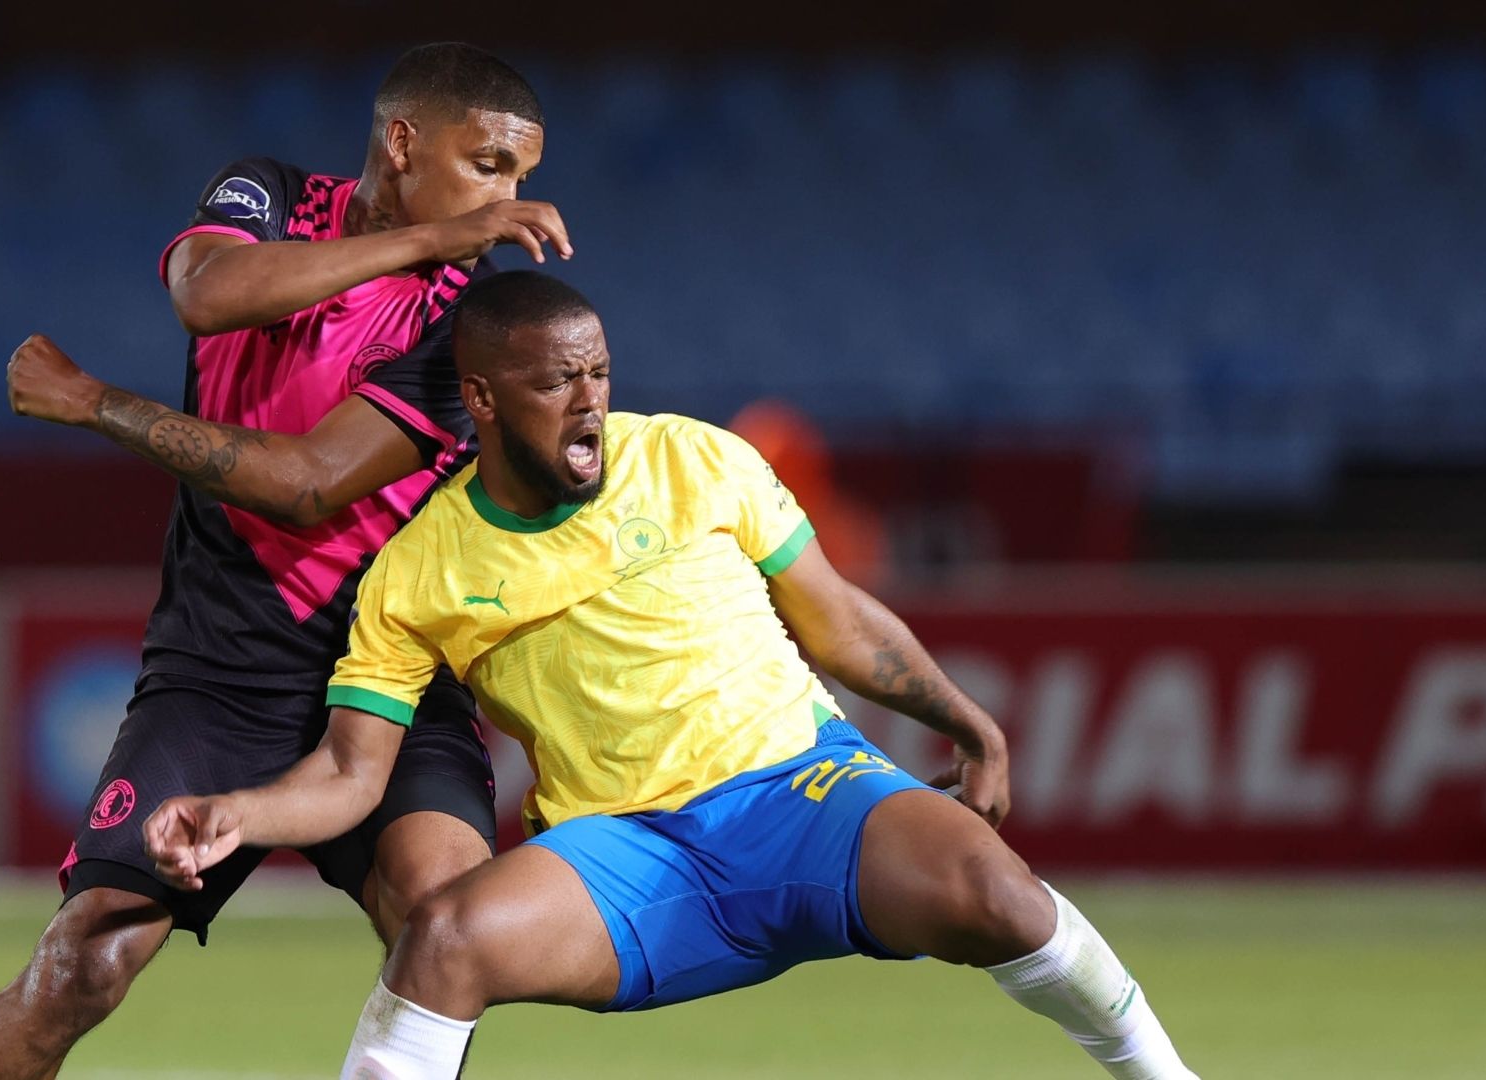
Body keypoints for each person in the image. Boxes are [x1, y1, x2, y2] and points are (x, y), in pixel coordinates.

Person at [142, 271, 1199, 1079]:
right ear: (483, 398)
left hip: (805, 798)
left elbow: (834, 618)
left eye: (597, 372)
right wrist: (239, 812)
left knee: (998, 894)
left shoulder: (695, 458)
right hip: (629, 863)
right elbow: (351, 772)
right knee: (446, 937)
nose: (588, 400)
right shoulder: (422, 566)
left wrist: (969, 724)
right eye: (554, 381)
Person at [0, 44, 570, 1078]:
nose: (510, 204)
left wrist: (94, 400)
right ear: (404, 143)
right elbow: (210, 291)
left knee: (447, 921)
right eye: (492, 165)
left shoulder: (474, 319)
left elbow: (309, 483)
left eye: (522, 180)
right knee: (84, 964)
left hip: (386, 678)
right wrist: (429, 236)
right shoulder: (268, 193)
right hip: (215, 674)